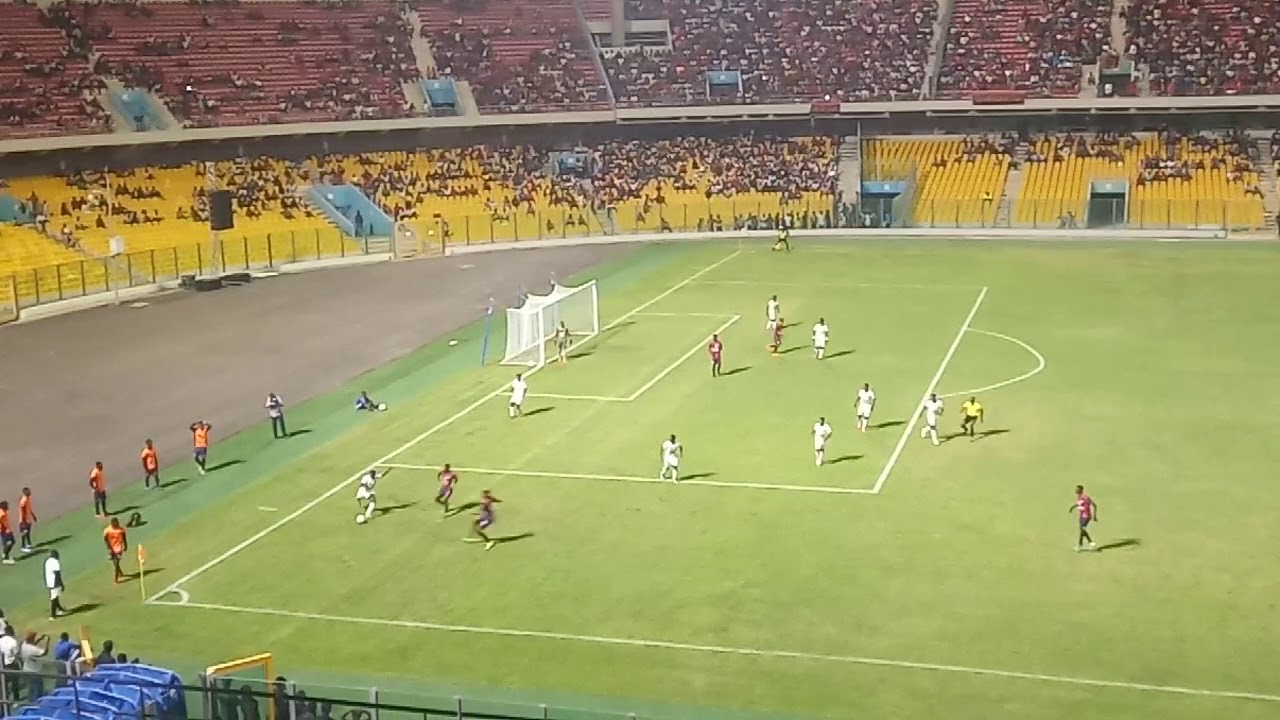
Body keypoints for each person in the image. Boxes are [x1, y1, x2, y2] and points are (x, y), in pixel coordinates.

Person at [1070, 485, 1098, 551]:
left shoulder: (1085, 497)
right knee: (1082, 530)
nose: (1076, 490)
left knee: (1082, 529)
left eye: (1077, 489)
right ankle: (1080, 545)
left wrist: (1094, 516)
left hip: (1086, 516)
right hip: (1082, 516)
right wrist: (1072, 508)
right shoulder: (1079, 497)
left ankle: (1091, 543)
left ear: (1080, 490)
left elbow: (1094, 505)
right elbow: (1079, 504)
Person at [103, 517, 128, 585]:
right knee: (114, 563)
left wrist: (125, 546)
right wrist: (109, 548)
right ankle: (120, 572)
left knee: (116, 563)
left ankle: (116, 579)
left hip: (119, 548)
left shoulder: (121, 530)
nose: (116, 524)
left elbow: (124, 538)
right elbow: (105, 539)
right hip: (111, 548)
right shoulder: (107, 530)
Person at [44, 550, 67, 620]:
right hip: (54, 582)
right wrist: (61, 584)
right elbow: (57, 574)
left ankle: (59, 609)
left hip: (49, 582)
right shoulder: (55, 562)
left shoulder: (48, 561)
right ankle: (52, 615)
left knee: (55, 596)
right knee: (54, 598)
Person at [18, 488, 36, 552]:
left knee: (27, 532)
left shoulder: (28, 498)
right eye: (28, 491)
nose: (30, 492)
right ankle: (22, 546)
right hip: (24, 520)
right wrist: (24, 520)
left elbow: (29, 508)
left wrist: (33, 515)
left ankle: (28, 544)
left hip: (28, 519)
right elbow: (23, 509)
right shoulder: (24, 500)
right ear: (25, 492)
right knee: (24, 532)